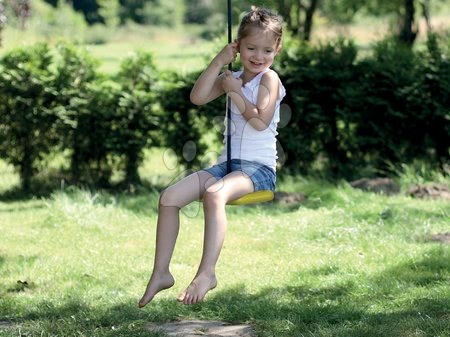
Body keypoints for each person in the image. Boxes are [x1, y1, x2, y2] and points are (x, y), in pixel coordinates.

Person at [139, 7, 285, 307]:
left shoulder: (269, 79)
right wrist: (220, 61)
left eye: (267, 50)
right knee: (169, 197)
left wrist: (235, 93)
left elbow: (259, 120)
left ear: (277, 49)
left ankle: (207, 273)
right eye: (251, 48)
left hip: (259, 170)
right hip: (227, 166)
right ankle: (161, 272)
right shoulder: (232, 76)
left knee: (214, 194)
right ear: (238, 47)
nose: (259, 56)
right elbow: (198, 97)